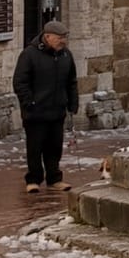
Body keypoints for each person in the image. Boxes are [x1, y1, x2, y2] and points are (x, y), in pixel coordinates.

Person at [13, 20, 78, 194]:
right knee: (35, 148)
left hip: (57, 111)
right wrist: (30, 103)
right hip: (35, 112)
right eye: (59, 38)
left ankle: (54, 179)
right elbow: (20, 82)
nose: (63, 41)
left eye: (64, 38)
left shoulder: (66, 56)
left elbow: (72, 82)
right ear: (47, 37)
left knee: (54, 147)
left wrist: (72, 103)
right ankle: (33, 180)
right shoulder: (29, 54)